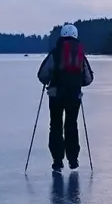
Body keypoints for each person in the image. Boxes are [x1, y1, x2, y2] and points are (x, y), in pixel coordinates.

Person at [37, 23, 94, 171]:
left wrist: (48, 80)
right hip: (74, 96)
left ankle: (57, 161)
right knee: (71, 125)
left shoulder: (55, 53)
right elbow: (88, 79)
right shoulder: (80, 55)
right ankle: (73, 160)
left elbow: (42, 74)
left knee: (55, 126)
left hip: (55, 96)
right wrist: (77, 83)